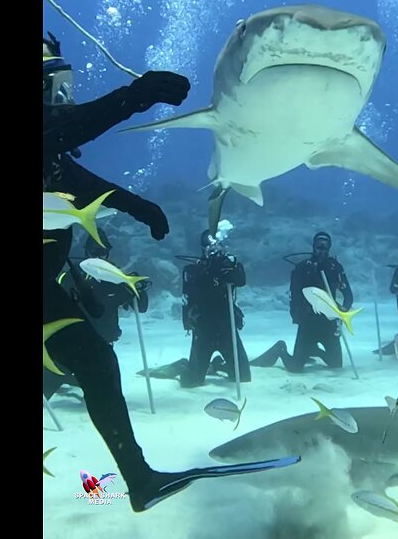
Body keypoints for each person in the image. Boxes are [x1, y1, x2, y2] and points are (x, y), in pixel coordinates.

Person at [43, 34, 294, 510]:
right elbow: (62, 132)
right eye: (52, 89)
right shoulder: (51, 138)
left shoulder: (50, 160)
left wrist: (140, 206)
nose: (63, 99)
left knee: (96, 361)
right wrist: (132, 99)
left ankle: (139, 479)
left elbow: (79, 180)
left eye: (65, 87)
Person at [42, 228, 150, 398]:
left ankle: (79, 381)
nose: (100, 257)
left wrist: (136, 289)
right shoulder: (70, 277)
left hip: (102, 347)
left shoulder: (116, 279)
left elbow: (141, 307)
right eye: (96, 252)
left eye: (104, 252)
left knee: (106, 397)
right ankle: (71, 380)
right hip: (71, 346)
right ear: (86, 252)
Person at [250, 231, 353, 373]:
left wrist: (342, 312)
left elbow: (348, 296)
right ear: (313, 246)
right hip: (308, 323)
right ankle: (281, 349)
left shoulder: (335, 268)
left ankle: (313, 350)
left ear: (329, 247)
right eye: (319, 245)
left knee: (335, 364)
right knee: (295, 368)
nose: (321, 249)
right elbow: (294, 296)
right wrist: (297, 317)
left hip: (329, 322)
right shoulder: (303, 268)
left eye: (325, 246)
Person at [178, 229, 250, 388]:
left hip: (227, 326)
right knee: (192, 382)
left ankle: (218, 365)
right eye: (209, 246)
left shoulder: (229, 266)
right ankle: (184, 366)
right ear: (202, 249)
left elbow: (241, 280)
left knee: (243, 376)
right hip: (204, 328)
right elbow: (193, 293)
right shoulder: (192, 270)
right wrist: (210, 270)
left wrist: (229, 267)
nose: (214, 250)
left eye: (218, 246)